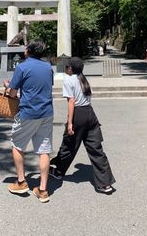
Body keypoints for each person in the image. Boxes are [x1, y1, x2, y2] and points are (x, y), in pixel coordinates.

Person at [49, 57, 115, 193]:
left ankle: (59, 171)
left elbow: (71, 102)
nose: (66, 69)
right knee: (96, 149)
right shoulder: (84, 79)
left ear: (70, 69)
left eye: (67, 67)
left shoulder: (69, 80)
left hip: (78, 114)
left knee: (69, 145)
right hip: (90, 114)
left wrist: (70, 123)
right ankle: (105, 183)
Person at [4, 39, 53, 203]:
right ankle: (43, 190)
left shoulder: (22, 67)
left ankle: (21, 181)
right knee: (44, 150)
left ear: (28, 51)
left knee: (17, 145)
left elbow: (12, 94)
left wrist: (7, 86)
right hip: (46, 113)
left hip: (28, 113)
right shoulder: (48, 67)